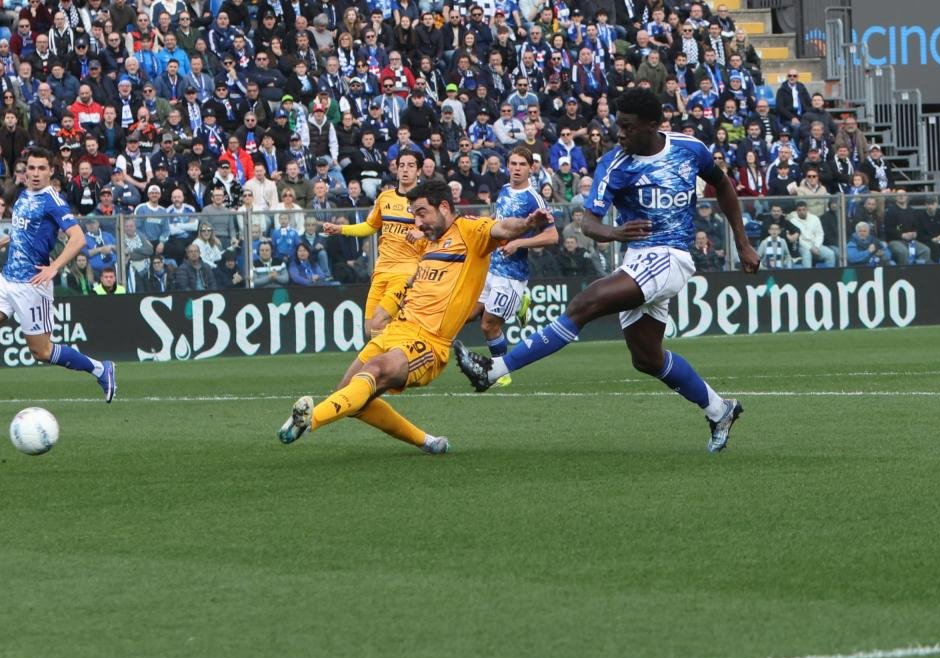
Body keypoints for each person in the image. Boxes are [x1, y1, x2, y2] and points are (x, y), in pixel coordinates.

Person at [453, 89, 761, 454]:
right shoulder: (615, 164)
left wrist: (742, 242)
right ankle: (719, 409)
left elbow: (723, 185)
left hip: (672, 254)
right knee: (646, 357)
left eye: (627, 127)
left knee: (586, 302)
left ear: (652, 125)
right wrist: (613, 232)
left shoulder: (689, 148)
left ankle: (494, 370)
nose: (620, 133)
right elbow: (589, 223)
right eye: (618, 125)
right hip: (637, 259)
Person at [277, 179, 549, 453]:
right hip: (398, 330)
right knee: (349, 396)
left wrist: (527, 224)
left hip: (429, 342)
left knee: (374, 372)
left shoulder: (470, 231)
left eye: (421, 213)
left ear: (443, 207)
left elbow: (503, 227)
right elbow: (415, 282)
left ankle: (310, 420)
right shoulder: (428, 244)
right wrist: (391, 306)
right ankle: (427, 442)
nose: (417, 223)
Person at [0, 147, 118, 416]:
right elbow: (23, 229)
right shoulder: (24, 194)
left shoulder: (53, 202)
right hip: (7, 279)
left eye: (41, 168)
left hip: (33, 284)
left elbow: (78, 238)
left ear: (51, 171)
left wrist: (54, 267)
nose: (35, 173)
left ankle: (101, 369)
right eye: (30, 168)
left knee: (42, 352)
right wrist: (2, 242)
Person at [471, 146, 558, 386]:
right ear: (507, 166)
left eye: (522, 164)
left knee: (488, 325)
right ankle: (520, 304)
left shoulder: (534, 198)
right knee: (468, 314)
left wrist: (519, 242)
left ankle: (501, 371)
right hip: (490, 267)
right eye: (513, 164)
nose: (517, 168)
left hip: (510, 275)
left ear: (531, 168)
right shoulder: (504, 189)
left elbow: (552, 237)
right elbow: (499, 222)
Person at [321, 150, 422, 336]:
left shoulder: (425, 200)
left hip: (406, 272)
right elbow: (370, 226)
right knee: (370, 330)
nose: (405, 170)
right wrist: (341, 229)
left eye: (411, 165)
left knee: (379, 322)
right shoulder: (385, 198)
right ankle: (399, 359)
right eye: (402, 165)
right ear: (397, 170)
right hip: (381, 270)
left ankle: (393, 362)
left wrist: (422, 233)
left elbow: (440, 230)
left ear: (419, 171)